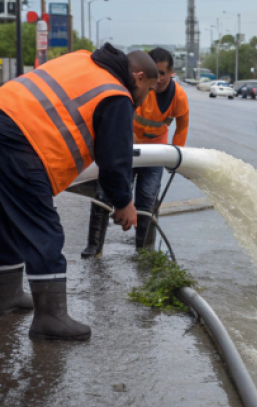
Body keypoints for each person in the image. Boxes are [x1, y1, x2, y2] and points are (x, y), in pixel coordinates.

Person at [0, 44, 158, 340]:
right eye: (148, 89)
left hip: (6, 119)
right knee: (43, 229)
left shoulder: (82, 59)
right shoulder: (116, 93)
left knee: (7, 220)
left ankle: (6, 297)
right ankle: (50, 317)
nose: (145, 98)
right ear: (137, 77)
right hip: (22, 142)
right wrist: (124, 202)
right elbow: (114, 159)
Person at [82, 47, 189, 256]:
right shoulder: (137, 87)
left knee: (147, 199)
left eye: (162, 74)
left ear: (171, 73)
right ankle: (94, 247)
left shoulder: (179, 97)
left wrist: (176, 156)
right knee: (106, 193)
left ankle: (144, 252)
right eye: (155, 74)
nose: (157, 80)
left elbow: (182, 126)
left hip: (155, 152)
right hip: (127, 147)